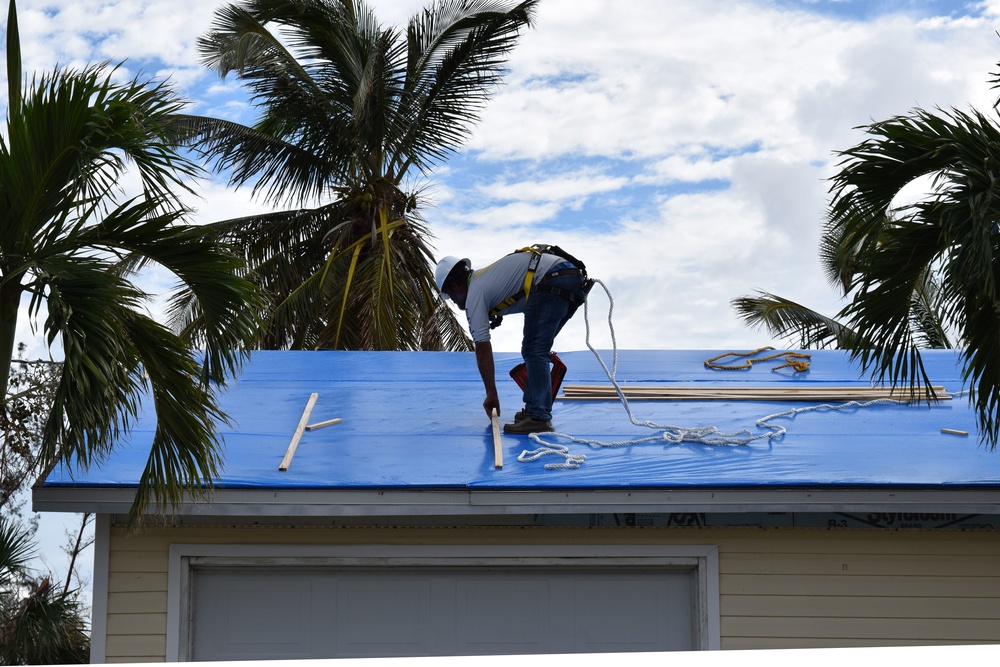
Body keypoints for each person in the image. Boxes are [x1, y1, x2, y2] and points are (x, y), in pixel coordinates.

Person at [435, 247, 588, 434]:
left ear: (454, 287)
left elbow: (482, 348)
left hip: (552, 278)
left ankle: (539, 417)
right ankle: (534, 410)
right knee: (535, 349)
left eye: (451, 297)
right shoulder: (484, 279)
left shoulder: (475, 292)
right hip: (569, 278)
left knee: (534, 350)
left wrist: (491, 394)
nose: (455, 302)